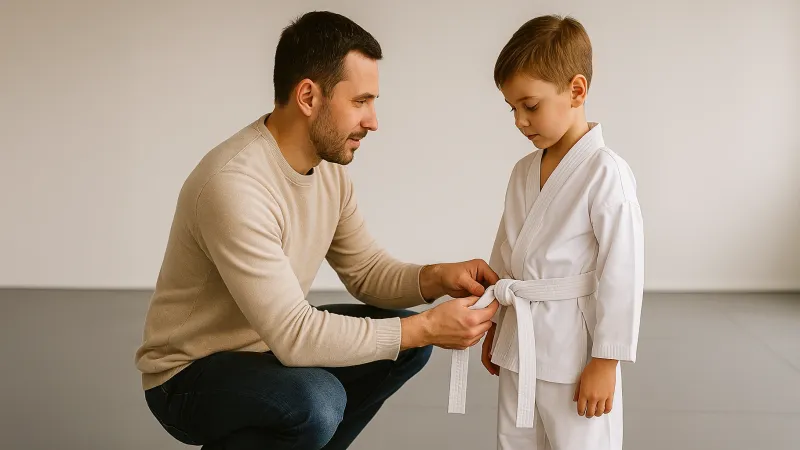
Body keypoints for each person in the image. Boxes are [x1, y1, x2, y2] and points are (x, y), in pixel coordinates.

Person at [134, 10, 500, 450]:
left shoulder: (329, 172)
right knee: (319, 400)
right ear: (308, 96)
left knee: (405, 344)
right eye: (361, 101)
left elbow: (366, 272)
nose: (373, 121)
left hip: (266, 348)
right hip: (187, 376)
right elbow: (295, 335)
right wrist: (427, 327)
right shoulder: (234, 185)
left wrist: (438, 277)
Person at [454, 14, 644, 450]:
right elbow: (506, 252)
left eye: (531, 105)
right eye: (513, 108)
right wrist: (495, 322)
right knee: (514, 441)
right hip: (519, 340)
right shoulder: (523, 171)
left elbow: (623, 271)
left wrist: (606, 360)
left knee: (581, 441)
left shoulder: (606, 172)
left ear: (576, 91)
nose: (520, 120)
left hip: (573, 350)